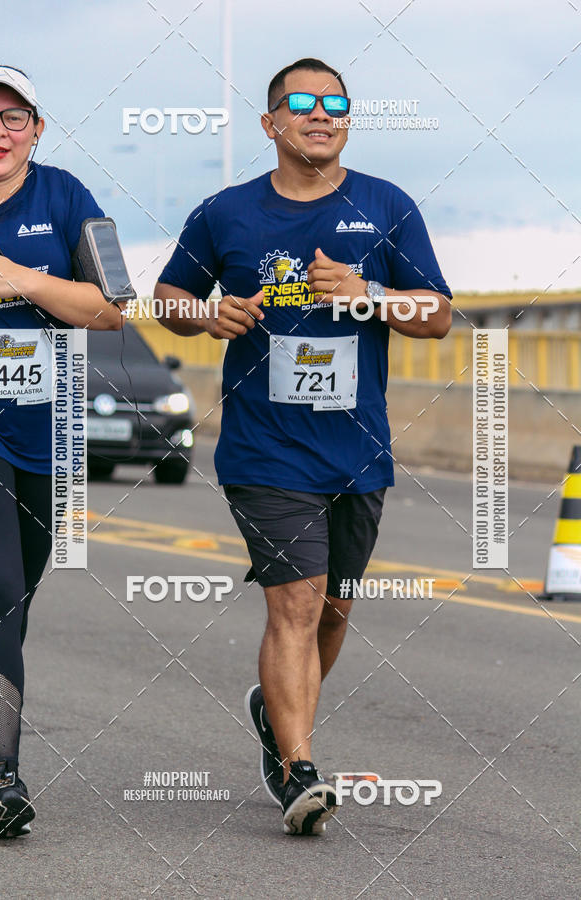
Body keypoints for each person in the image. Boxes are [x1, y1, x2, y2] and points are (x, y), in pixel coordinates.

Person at [155, 57, 451, 835]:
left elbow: (440, 314)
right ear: (271, 124)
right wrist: (206, 316)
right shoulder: (226, 213)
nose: (322, 114)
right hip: (263, 449)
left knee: (333, 609)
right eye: (303, 103)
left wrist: (373, 294)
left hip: (356, 450)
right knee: (294, 603)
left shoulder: (386, 205)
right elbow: (168, 297)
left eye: (337, 103)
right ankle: (297, 771)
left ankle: (274, 709)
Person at [0, 65, 124, 838]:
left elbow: (110, 310)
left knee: (13, 596)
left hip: (42, 427)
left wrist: (16, 278)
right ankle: (2, 778)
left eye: (13, 117)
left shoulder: (68, 197)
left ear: (38, 128)